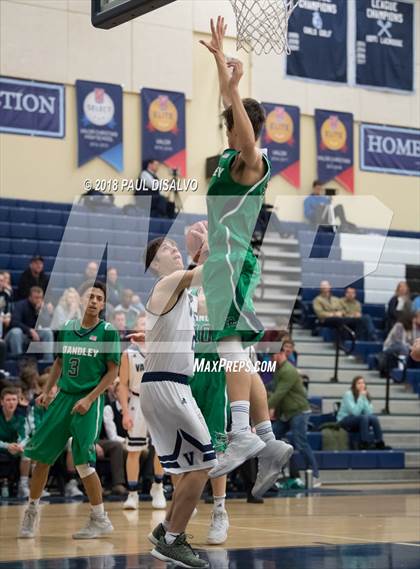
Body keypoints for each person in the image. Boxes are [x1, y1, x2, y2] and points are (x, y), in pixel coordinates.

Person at [200, 16, 292, 486]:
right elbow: (229, 108)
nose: (227, 131)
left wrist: (235, 88)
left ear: (246, 130)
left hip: (231, 262)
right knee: (242, 352)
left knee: (228, 343)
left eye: (232, 125)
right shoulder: (230, 164)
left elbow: (243, 124)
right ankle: (268, 438)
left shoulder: (252, 163)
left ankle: (241, 431)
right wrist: (220, 62)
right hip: (226, 262)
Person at [129, 235, 215, 568]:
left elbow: (212, 293)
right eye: (167, 248)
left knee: (188, 469)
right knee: (203, 465)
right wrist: (209, 246)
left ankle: (166, 528)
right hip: (167, 385)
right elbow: (208, 273)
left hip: (169, 384)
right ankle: (172, 540)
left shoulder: (182, 293)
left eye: (176, 246)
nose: (175, 249)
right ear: (154, 264)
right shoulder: (167, 282)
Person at [18, 280, 121, 539]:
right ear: (81, 300)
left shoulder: (108, 332)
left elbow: (112, 373)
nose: (95, 301)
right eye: (90, 296)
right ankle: (32, 510)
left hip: (89, 399)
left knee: (84, 463)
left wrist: (90, 398)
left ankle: (99, 518)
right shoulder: (67, 329)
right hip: (63, 397)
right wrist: (46, 390)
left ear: (104, 303)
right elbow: (59, 362)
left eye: (99, 298)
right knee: (41, 458)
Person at [190, 286, 229, 544]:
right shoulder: (187, 296)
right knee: (187, 445)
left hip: (216, 376)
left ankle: (219, 510)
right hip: (189, 374)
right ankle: (184, 503)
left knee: (218, 448)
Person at [118, 314, 167, 511]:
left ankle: (159, 487)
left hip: (159, 400)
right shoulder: (128, 354)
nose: (145, 327)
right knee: (134, 451)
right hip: (136, 401)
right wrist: (124, 412)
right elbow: (122, 385)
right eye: (141, 324)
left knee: (162, 449)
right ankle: (132, 494)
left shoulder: (162, 350)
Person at [268, 349, 321, 487]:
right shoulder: (278, 370)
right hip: (286, 413)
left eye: (272, 355)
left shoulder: (288, 371)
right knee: (271, 436)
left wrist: (266, 408)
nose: (271, 358)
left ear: (280, 354)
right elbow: (273, 389)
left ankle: (315, 476)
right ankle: (275, 472)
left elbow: (279, 394)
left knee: (301, 442)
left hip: (299, 411)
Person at [337, 376, 389, 450]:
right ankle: (364, 443)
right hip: (344, 420)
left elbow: (369, 413)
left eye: (363, 383)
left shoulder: (364, 394)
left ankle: (379, 442)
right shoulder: (348, 394)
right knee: (364, 417)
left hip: (358, 420)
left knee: (374, 418)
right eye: (359, 383)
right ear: (354, 385)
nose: (362, 385)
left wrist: (364, 398)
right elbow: (355, 413)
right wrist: (361, 397)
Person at [5, 287, 54, 362]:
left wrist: (39, 313)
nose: (39, 300)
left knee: (48, 332)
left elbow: (47, 325)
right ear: (30, 297)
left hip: (34, 336)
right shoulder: (21, 305)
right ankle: (19, 361)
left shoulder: (43, 307)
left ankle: (47, 362)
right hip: (21, 335)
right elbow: (14, 322)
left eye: (40, 298)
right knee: (16, 332)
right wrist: (29, 330)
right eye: (36, 298)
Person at [0, 387, 27, 495]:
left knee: (28, 452)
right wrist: (7, 446)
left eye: (14, 399)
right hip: (3, 448)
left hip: (14, 449)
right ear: (1, 402)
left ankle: (23, 485)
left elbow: (24, 436)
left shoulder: (20, 417)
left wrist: (19, 446)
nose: (11, 403)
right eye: (8, 400)